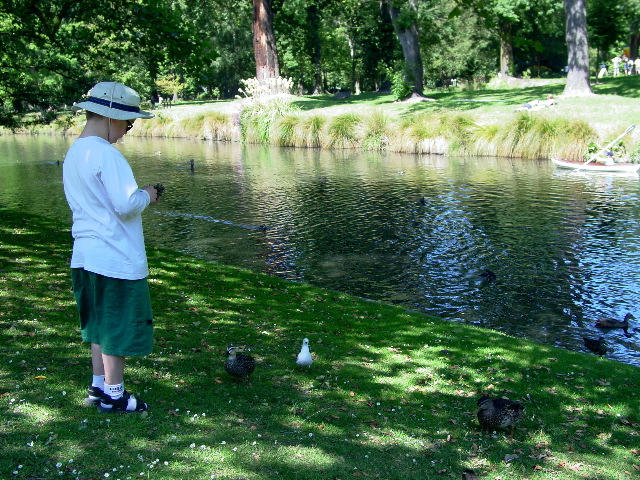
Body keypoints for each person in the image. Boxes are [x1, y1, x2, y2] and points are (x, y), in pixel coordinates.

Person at [63, 81, 159, 413]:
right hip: (114, 257)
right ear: (111, 117)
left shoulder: (76, 150)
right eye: (128, 123)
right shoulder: (106, 154)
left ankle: (98, 385)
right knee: (116, 324)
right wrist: (149, 194)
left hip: (84, 256)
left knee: (98, 324)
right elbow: (125, 204)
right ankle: (115, 396)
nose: (128, 130)